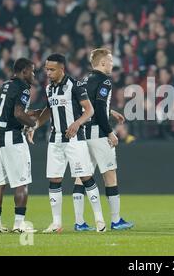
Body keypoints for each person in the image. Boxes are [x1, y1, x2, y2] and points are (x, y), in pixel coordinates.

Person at [27, 53, 106, 233]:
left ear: (62, 69)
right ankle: (56, 224)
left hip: (74, 140)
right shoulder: (49, 89)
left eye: (51, 69)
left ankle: (100, 220)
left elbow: (90, 110)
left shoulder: (75, 85)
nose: (48, 72)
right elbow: (49, 110)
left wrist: (77, 123)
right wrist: (36, 126)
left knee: (86, 177)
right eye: (46, 69)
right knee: (54, 179)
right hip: (55, 140)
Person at [72, 48, 134, 231]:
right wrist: (109, 132)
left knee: (81, 176)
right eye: (110, 61)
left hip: (82, 133)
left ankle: (79, 222)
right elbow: (98, 107)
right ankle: (116, 221)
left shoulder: (82, 80)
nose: (112, 64)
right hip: (98, 134)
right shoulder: (105, 80)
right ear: (103, 63)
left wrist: (111, 111)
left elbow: (86, 106)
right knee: (110, 174)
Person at [0, 58, 37, 233]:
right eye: (32, 71)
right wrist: (33, 124)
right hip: (12, 138)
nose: (34, 74)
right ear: (24, 71)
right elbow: (18, 113)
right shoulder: (23, 87)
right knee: (21, 183)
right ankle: (19, 225)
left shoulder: (6, 84)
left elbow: (9, 110)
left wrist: (26, 116)